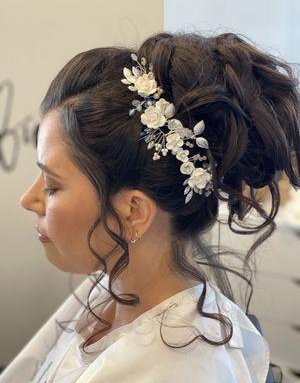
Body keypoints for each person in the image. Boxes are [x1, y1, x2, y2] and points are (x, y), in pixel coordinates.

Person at [1, 31, 299, 383]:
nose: (28, 199)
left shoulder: (182, 370)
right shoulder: (115, 281)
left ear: (134, 212)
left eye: (52, 185)